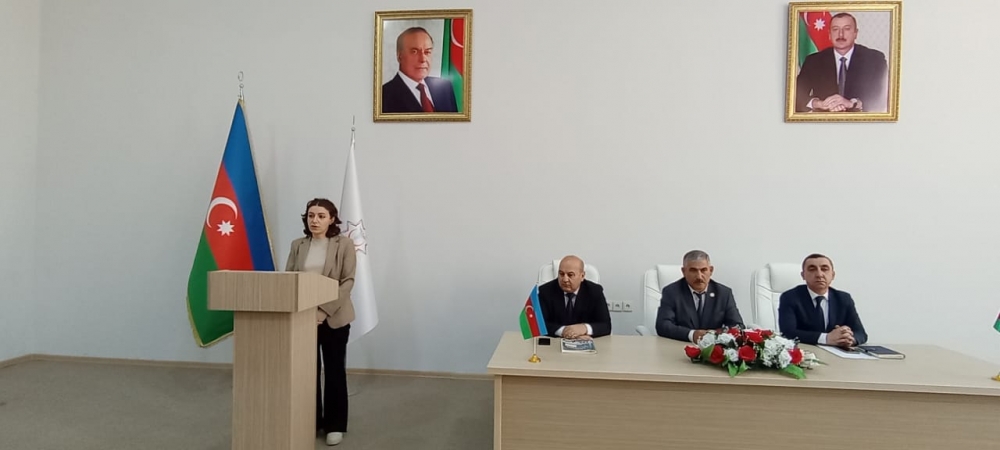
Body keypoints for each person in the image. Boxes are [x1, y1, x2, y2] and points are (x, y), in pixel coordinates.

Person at [284, 198, 356, 446]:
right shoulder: (298, 245)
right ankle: (312, 420)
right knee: (307, 371)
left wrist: (323, 312)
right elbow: (290, 278)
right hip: (303, 317)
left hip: (334, 317)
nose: (315, 220)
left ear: (332, 219)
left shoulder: (344, 244)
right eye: (311, 216)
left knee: (334, 371)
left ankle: (335, 425)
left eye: (321, 216)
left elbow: (347, 281)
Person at [795, 12, 888, 113]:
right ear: (829, 34)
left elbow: (884, 97)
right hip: (824, 120)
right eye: (835, 29)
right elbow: (795, 95)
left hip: (862, 121)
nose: (840, 35)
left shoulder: (874, 59)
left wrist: (853, 103)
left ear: (855, 33)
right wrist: (818, 103)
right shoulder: (813, 61)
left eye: (846, 29)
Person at [778, 253, 868, 348]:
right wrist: (826, 338)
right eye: (812, 269)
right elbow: (788, 333)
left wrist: (849, 338)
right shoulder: (790, 297)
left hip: (837, 352)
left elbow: (861, 333)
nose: (819, 274)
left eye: (824, 269)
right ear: (803, 275)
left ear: (833, 275)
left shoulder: (843, 298)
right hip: (805, 351)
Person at [655, 250, 745, 343]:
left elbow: (738, 326)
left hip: (714, 347)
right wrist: (692, 334)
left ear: (711, 270)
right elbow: (663, 325)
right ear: (683, 271)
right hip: (680, 344)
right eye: (693, 270)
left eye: (703, 270)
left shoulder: (723, 293)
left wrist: (714, 335)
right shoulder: (671, 292)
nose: (699, 276)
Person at [381, 26, 459, 114]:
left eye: (427, 52)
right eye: (414, 51)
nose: (423, 59)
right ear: (399, 56)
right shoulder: (383, 96)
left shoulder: (445, 88)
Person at [537, 255, 612, 339]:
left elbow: (606, 326)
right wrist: (564, 331)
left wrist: (584, 328)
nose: (565, 279)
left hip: (586, 343)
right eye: (561, 274)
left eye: (570, 275)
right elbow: (539, 324)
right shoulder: (546, 291)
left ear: (582, 276)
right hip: (555, 342)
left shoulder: (594, 291)